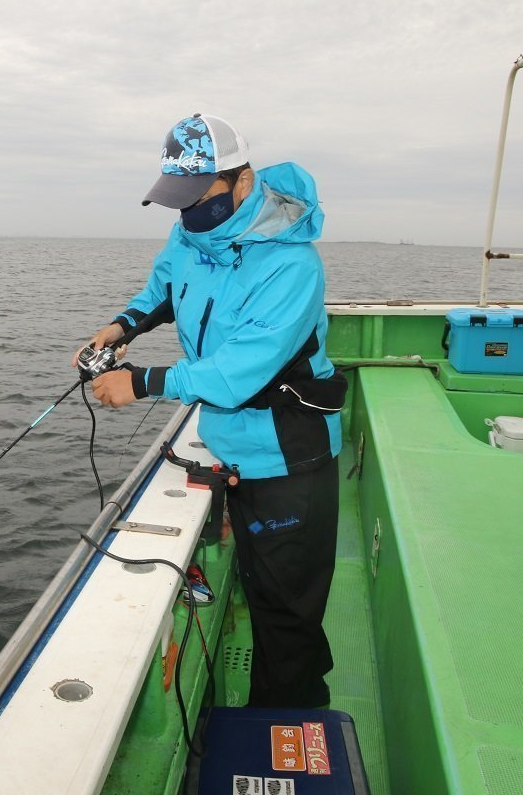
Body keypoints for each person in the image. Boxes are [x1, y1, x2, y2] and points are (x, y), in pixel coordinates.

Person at [79, 113, 345, 709]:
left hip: (288, 455)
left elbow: (235, 373)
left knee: (286, 607)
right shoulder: (190, 236)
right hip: (232, 445)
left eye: (199, 197)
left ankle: (289, 718)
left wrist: (141, 381)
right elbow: (163, 292)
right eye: (178, 200)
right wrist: (121, 328)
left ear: (242, 182)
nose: (188, 212)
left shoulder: (292, 266)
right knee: (264, 582)